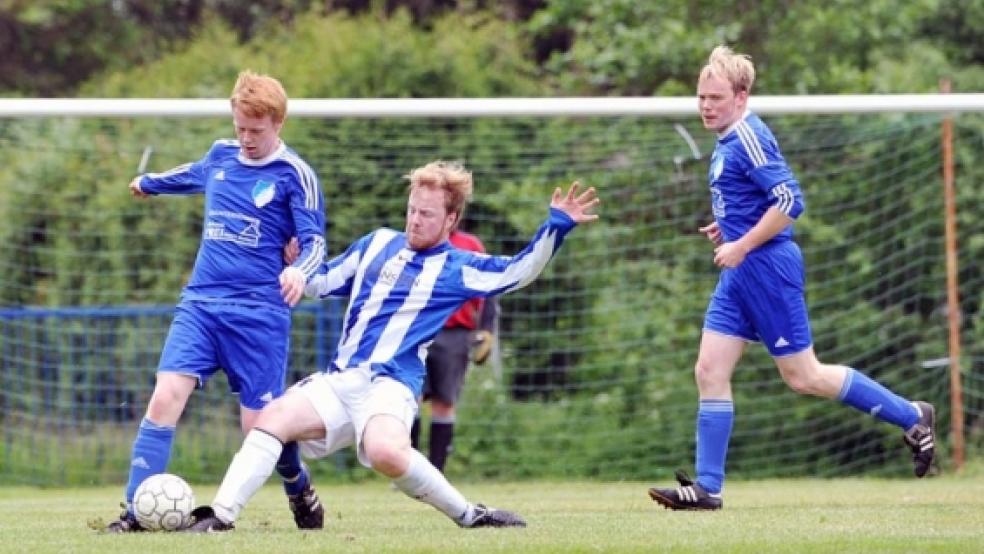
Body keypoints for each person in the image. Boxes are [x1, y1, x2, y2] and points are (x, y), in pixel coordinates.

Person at [183, 161, 599, 532]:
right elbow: (321, 283)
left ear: (451, 219)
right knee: (267, 421)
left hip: (391, 386)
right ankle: (219, 517)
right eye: (412, 210)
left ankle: (471, 515)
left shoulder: (459, 268)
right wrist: (294, 264)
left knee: (385, 452)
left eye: (427, 214)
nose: (415, 220)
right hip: (340, 379)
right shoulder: (375, 243)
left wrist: (556, 227)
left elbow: (518, 271)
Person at [647, 45, 936, 511]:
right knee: (709, 370)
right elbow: (759, 201)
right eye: (701, 97)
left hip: (767, 270)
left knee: (804, 377)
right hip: (740, 273)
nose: (705, 105)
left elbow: (790, 200)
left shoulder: (750, 136)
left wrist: (742, 243)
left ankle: (912, 416)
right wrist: (730, 228)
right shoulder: (726, 141)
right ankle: (707, 487)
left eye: (715, 97)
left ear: (741, 97)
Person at [106, 70, 327, 532]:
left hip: (259, 314)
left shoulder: (296, 176)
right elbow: (192, 175)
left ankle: (297, 486)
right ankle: (133, 514)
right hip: (202, 304)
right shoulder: (221, 156)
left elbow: (315, 243)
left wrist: (298, 271)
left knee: (259, 429)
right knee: (166, 395)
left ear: (278, 124)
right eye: (240, 127)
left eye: (256, 130)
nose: (245, 138)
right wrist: (149, 182)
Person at [410, 224, 500, 473]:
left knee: (444, 402)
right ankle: (408, 469)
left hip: (455, 335)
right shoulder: (415, 242)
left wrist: (487, 329)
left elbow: (490, 287)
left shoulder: (471, 246)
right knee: (409, 398)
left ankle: (435, 473)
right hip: (416, 330)